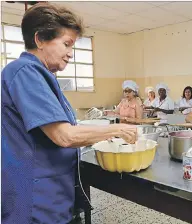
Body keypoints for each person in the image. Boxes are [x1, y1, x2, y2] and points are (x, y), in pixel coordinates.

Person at [1, 3, 137, 224]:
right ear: (40, 40)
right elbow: (64, 135)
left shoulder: (43, 76)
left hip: (51, 191)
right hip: (36, 199)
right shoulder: (25, 72)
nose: (70, 55)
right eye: (66, 44)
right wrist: (117, 129)